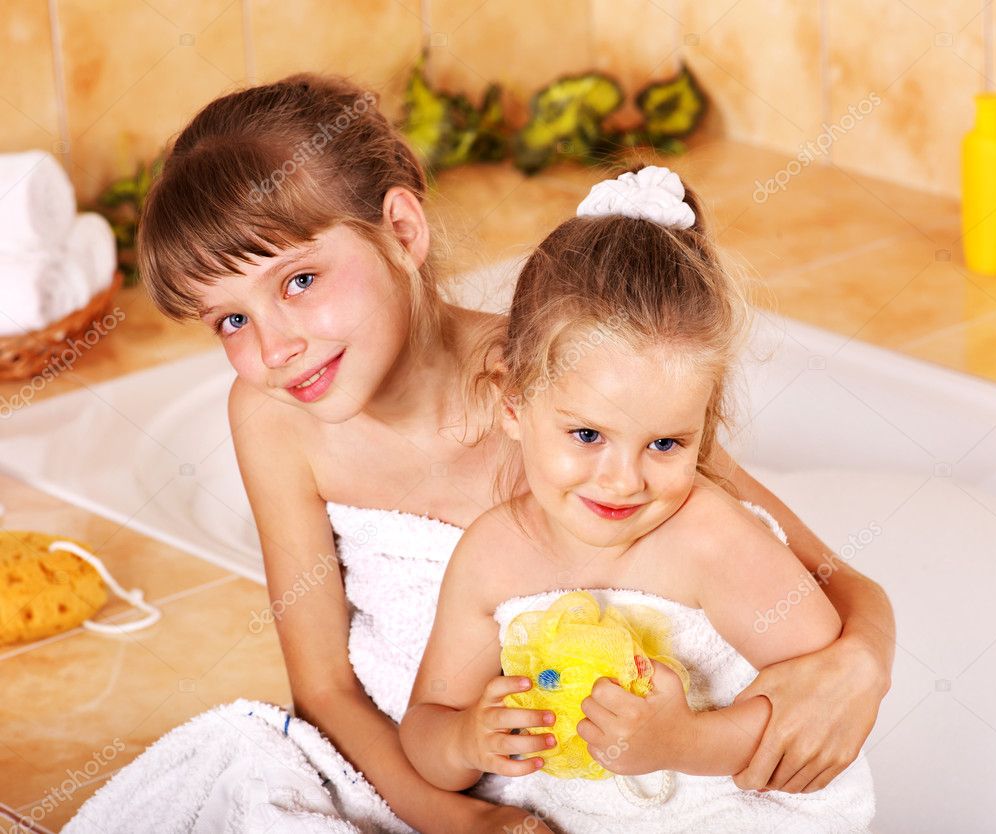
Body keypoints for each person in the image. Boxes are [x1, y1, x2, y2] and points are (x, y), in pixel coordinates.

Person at [134, 73, 893, 833]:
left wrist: (861, 660)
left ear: (401, 231)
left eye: (299, 280)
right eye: (230, 321)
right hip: (425, 776)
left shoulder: (564, 393)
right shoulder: (272, 419)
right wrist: (461, 823)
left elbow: (805, 565)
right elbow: (325, 690)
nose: (274, 348)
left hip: (620, 784)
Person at [399, 166, 875, 832]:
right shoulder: (493, 555)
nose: (622, 481)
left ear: (704, 429)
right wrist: (464, 741)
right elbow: (423, 727)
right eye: (587, 434)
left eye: (665, 445)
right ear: (512, 402)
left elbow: (814, 719)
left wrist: (682, 742)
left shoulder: (715, 545)